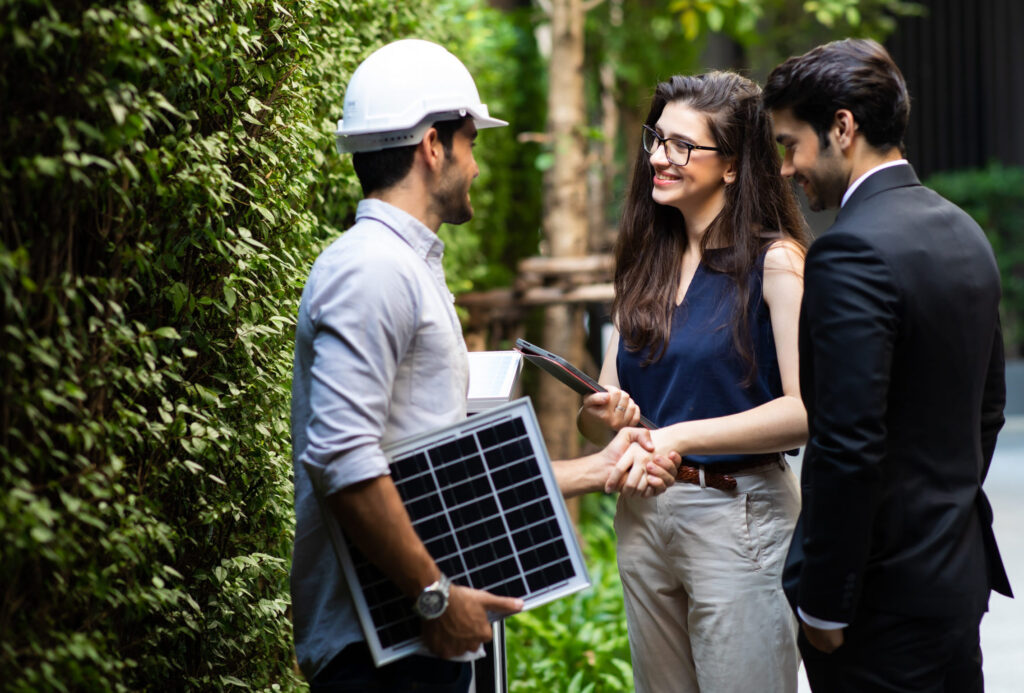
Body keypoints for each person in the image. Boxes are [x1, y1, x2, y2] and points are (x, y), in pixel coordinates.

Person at [290, 39, 680, 692]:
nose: (478, 167)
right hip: (382, 649)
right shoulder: (371, 271)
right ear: (431, 147)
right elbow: (344, 459)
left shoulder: (403, 267)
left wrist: (597, 469)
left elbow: (437, 474)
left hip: (413, 635)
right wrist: (435, 595)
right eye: (471, 143)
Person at [763, 38, 1013, 692]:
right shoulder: (963, 230)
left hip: (877, 607)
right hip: (954, 580)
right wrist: (936, 519)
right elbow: (989, 409)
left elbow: (848, 445)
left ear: (842, 127)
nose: (787, 169)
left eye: (790, 145)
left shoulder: (850, 251)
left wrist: (824, 599)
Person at [577, 71, 810, 693]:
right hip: (644, 514)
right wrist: (606, 414)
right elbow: (598, 409)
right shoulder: (642, 262)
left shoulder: (777, 261)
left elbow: (805, 410)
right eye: (657, 139)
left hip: (740, 514)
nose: (658, 156)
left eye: (683, 146)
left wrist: (676, 434)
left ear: (731, 165)